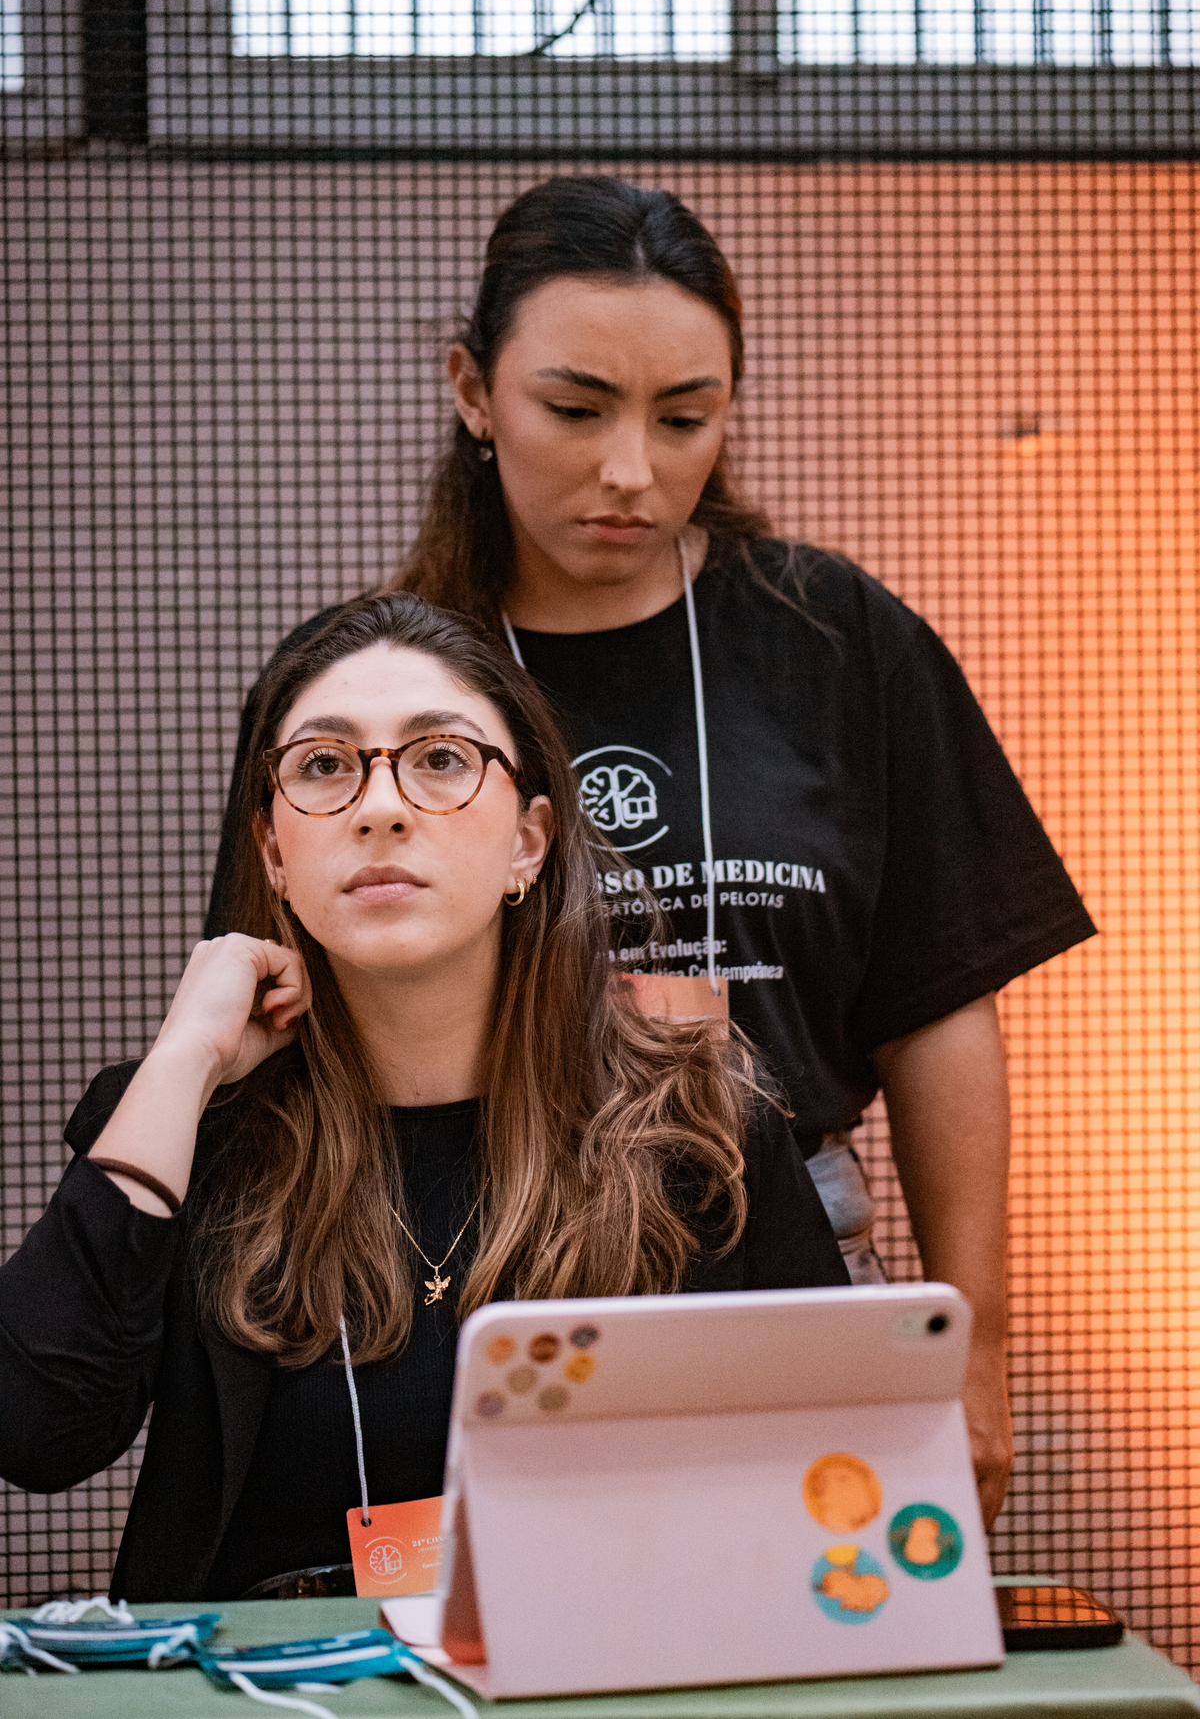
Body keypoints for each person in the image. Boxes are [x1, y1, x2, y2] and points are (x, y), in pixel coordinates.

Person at [204, 178, 1096, 1529]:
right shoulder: (376, 683)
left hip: (777, 1269)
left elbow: (940, 1001)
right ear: (471, 390)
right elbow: (275, 1007)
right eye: (575, 409)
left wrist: (972, 1346)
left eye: (684, 416)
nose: (630, 470)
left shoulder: (835, 638)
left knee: (772, 1616)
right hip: (446, 1280)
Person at [0, 593, 848, 1602]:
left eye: (441, 757)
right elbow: (37, 1431)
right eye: (325, 765)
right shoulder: (189, 1124)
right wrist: (184, 1057)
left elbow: (826, 1473)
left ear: (529, 841)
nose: (381, 806)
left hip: (598, 1664)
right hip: (263, 1678)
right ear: (272, 852)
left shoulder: (698, 1123)